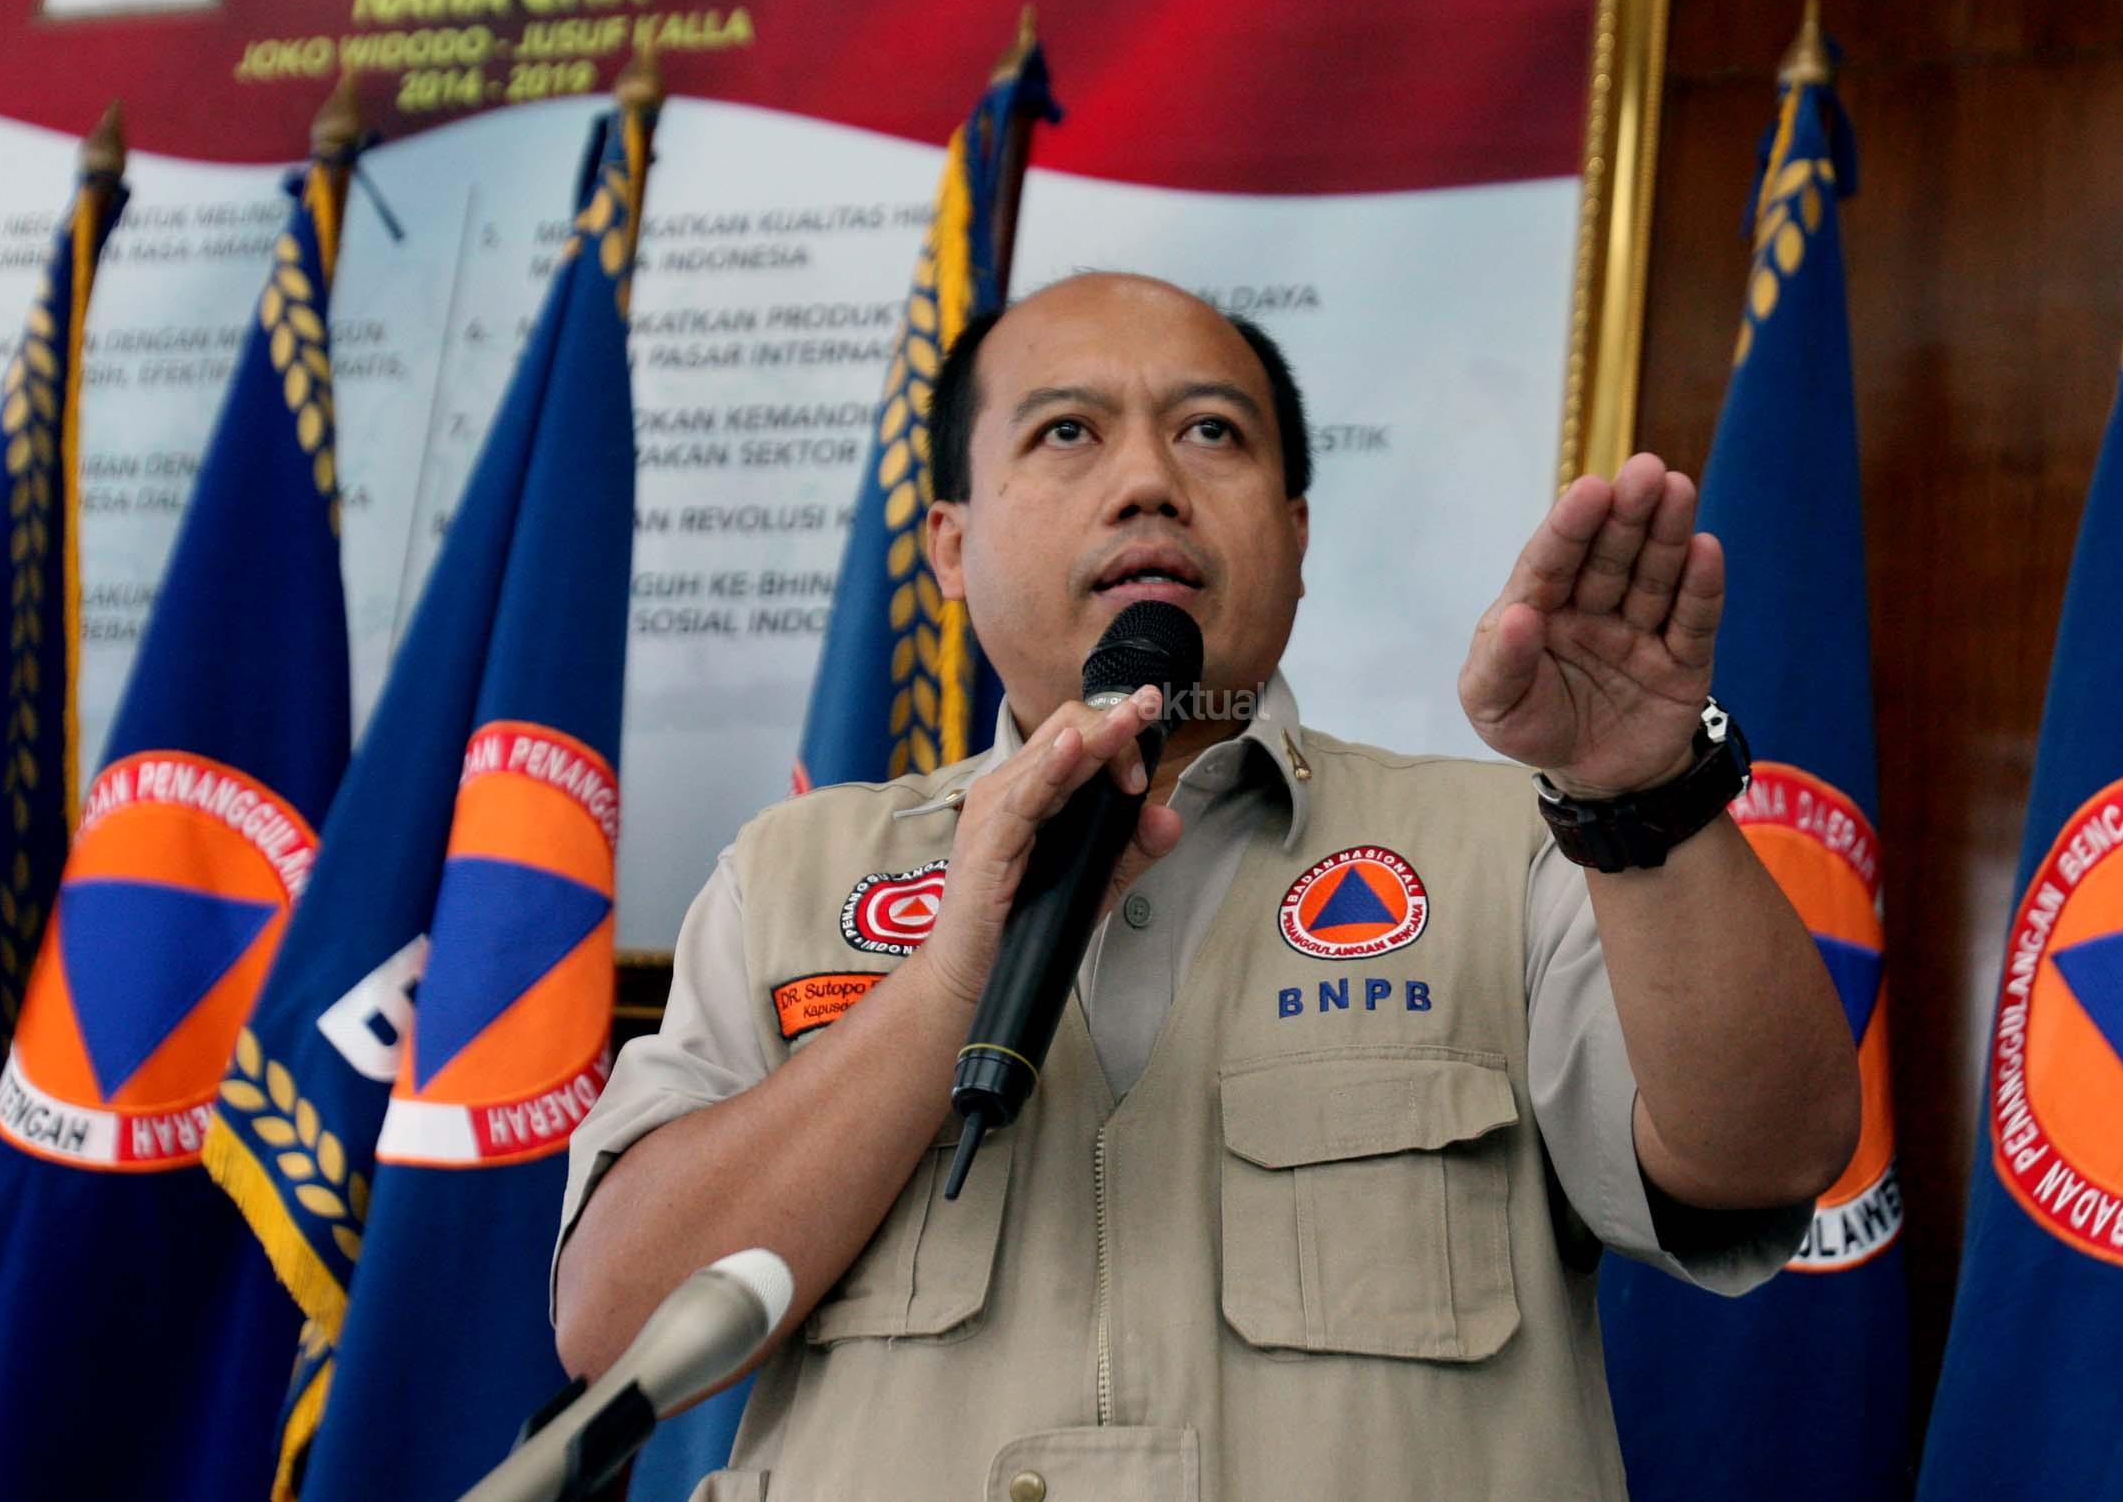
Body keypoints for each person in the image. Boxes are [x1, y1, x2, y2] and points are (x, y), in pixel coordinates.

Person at [554, 273, 1860, 1500]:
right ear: (950, 543)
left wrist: (1639, 790)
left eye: (1212, 433)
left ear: (1295, 535)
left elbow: (1765, 1158)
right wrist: (948, 981)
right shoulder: (789, 876)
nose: (1148, 483)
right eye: (1068, 431)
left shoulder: (1519, 846)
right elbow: (618, 1327)